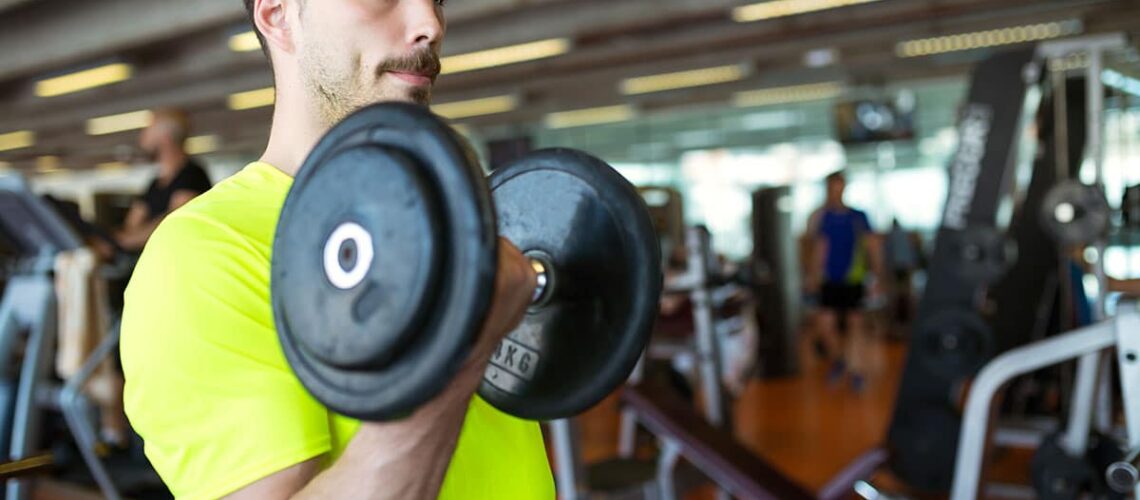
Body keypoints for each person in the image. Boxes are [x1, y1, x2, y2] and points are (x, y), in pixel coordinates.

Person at [119, 1, 550, 499]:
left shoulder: (453, 220)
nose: (430, 24)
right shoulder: (202, 254)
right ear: (279, 15)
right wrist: (461, 347)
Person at [804, 171, 883, 392]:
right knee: (824, 327)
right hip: (829, 281)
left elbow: (873, 247)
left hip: (853, 280)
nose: (835, 192)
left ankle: (856, 372)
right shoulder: (821, 218)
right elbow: (819, 249)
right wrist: (812, 276)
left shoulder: (858, 217)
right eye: (831, 188)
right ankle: (841, 360)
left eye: (839, 187)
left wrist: (876, 276)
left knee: (854, 326)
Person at [114, 108, 212, 253]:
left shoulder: (193, 175)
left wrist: (126, 241)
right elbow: (132, 223)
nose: (142, 136)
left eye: (148, 129)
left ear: (165, 137)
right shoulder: (154, 183)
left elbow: (174, 221)